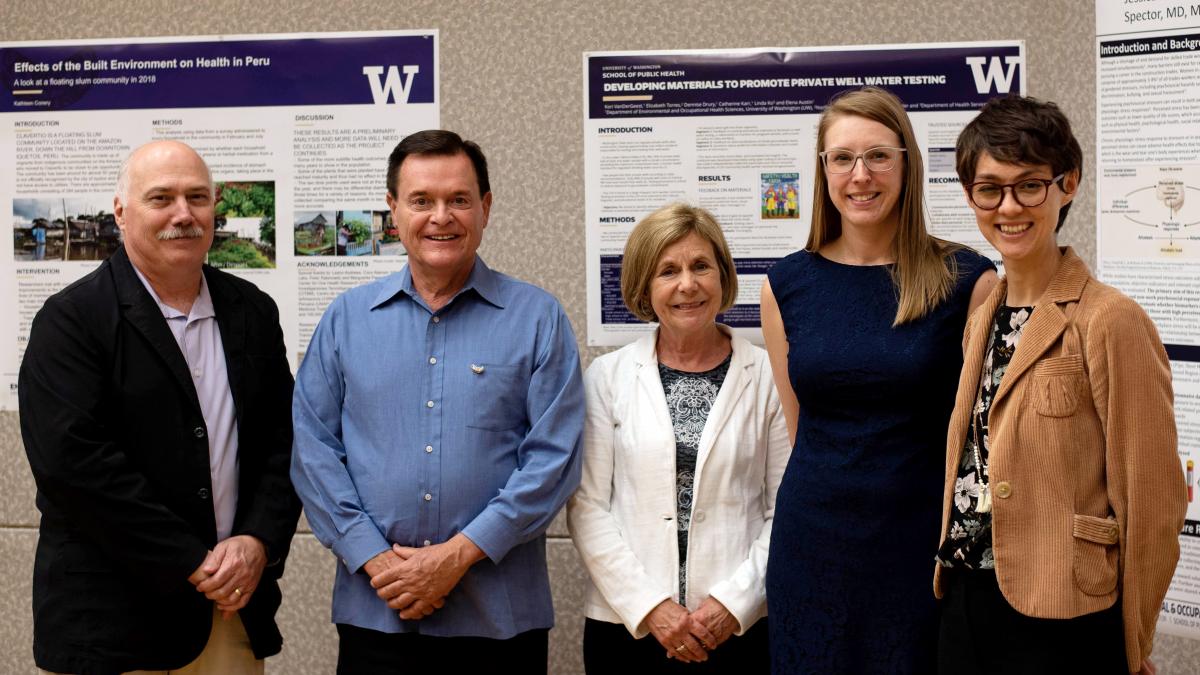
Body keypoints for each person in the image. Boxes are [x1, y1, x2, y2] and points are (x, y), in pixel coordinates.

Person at [291, 129, 585, 674]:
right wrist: (380, 563)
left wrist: (454, 558)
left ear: (486, 207)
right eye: (422, 200)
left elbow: (554, 460)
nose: (440, 217)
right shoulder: (345, 321)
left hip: (499, 620)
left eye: (458, 200)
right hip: (376, 612)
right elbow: (313, 452)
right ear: (393, 211)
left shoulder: (539, 318)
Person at [19, 140, 300, 675]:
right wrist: (192, 561)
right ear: (121, 211)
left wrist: (257, 541)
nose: (183, 214)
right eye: (161, 197)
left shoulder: (252, 312)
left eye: (197, 197)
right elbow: (74, 468)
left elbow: (282, 442)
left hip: (229, 614)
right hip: (112, 628)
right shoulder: (71, 321)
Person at [934, 95, 1185, 675]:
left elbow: (1152, 500)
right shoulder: (981, 316)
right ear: (970, 195)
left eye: (1029, 185)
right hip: (965, 596)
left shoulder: (1110, 319)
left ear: (1067, 185)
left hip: (1063, 615)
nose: (1009, 206)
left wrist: (1135, 642)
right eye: (989, 189)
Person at [760, 87, 998, 673]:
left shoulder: (969, 280)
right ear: (823, 170)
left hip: (919, 547)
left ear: (907, 164)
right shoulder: (785, 285)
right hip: (811, 545)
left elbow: (980, 441)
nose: (859, 175)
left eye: (878, 156)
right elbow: (801, 429)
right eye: (842, 158)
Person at [568, 203, 789, 673]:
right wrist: (654, 608)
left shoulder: (769, 376)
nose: (687, 284)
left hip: (740, 628)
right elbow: (587, 507)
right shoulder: (607, 378)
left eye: (701, 266)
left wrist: (733, 604)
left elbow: (786, 508)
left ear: (723, 277)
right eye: (668, 271)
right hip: (628, 625)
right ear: (645, 288)